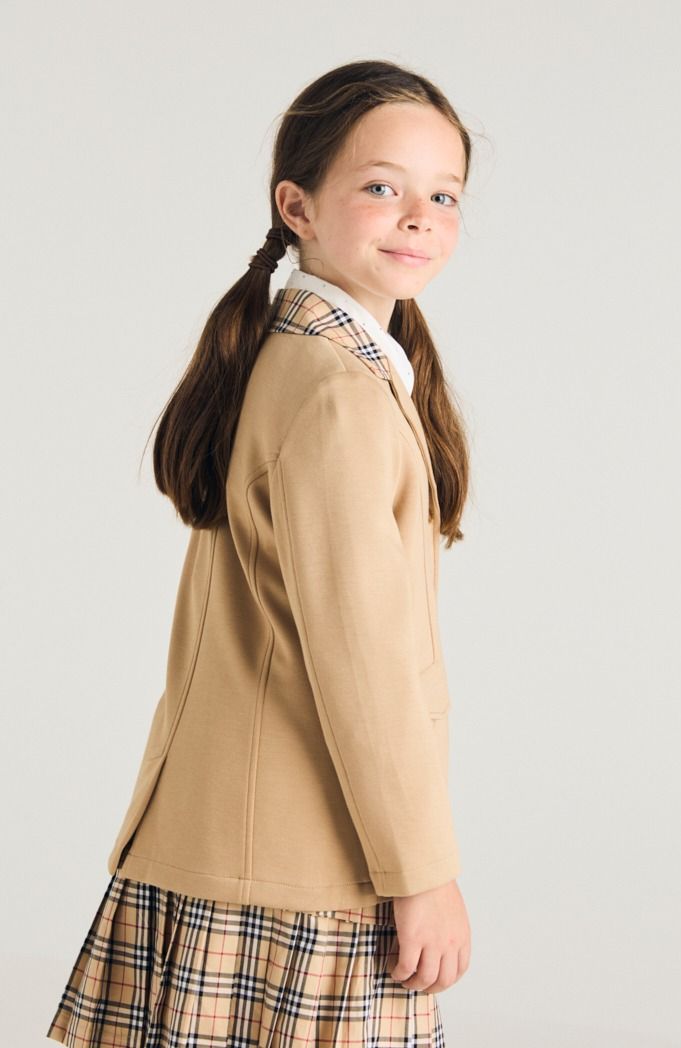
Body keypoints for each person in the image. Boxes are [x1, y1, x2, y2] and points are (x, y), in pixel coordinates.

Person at [46, 57, 476, 1048]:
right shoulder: (337, 394)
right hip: (302, 870)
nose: (419, 218)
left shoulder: (306, 363)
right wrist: (424, 873)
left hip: (247, 849)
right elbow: (363, 666)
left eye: (445, 195)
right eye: (383, 187)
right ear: (298, 206)